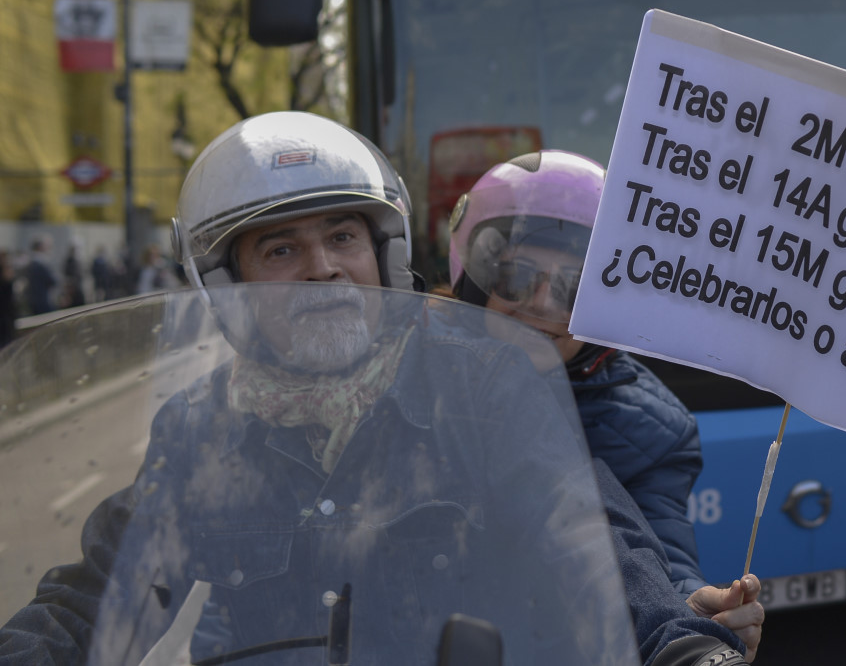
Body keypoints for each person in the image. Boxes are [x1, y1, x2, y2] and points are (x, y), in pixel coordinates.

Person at [0, 113, 746, 666]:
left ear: (382, 254)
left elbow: (588, 535)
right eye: (282, 249)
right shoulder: (200, 430)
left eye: (342, 237)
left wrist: (678, 641)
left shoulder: (485, 385)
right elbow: (96, 592)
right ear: (230, 288)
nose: (323, 267)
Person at [448, 150, 763, 660]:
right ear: (471, 277)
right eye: (516, 276)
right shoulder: (410, 374)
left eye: (574, 289)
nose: (542, 302)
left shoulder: (651, 431)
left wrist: (686, 611)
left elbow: (658, 558)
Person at [22, 235, 58, 316]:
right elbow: (53, 280)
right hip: (42, 301)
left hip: (33, 300)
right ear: (40, 247)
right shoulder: (40, 263)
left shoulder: (30, 262)